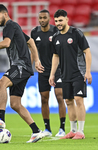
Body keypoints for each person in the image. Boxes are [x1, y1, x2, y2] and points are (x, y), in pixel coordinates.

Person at [0, 4, 45, 143]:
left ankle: (1, 118)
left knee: (1, 83)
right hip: (24, 67)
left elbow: (6, 43)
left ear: (5, 14)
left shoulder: (9, 26)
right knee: (15, 104)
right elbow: (31, 42)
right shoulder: (16, 27)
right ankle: (36, 131)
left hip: (20, 66)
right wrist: (36, 61)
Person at [49, 9, 92, 139]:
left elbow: (87, 52)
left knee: (79, 99)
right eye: (56, 21)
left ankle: (81, 131)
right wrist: (52, 74)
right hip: (64, 74)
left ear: (67, 19)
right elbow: (55, 56)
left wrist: (88, 71)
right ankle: (73, 130)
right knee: (68, 101)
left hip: (78, 72)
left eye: (61, 20)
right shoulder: (56, 37)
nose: (58, 23)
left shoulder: (76, 33)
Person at [31, 9, 66, 137]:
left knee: (59, 96)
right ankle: (47, 129)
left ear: (49, 18)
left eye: (44, 18)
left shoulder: (56, 31)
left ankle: (62, 128)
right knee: (44, 99)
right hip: (43, 70)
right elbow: (33, 50)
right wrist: (32, 65)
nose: (42, 20)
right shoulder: (34, 32)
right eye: (40, 18)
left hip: (57, 70)